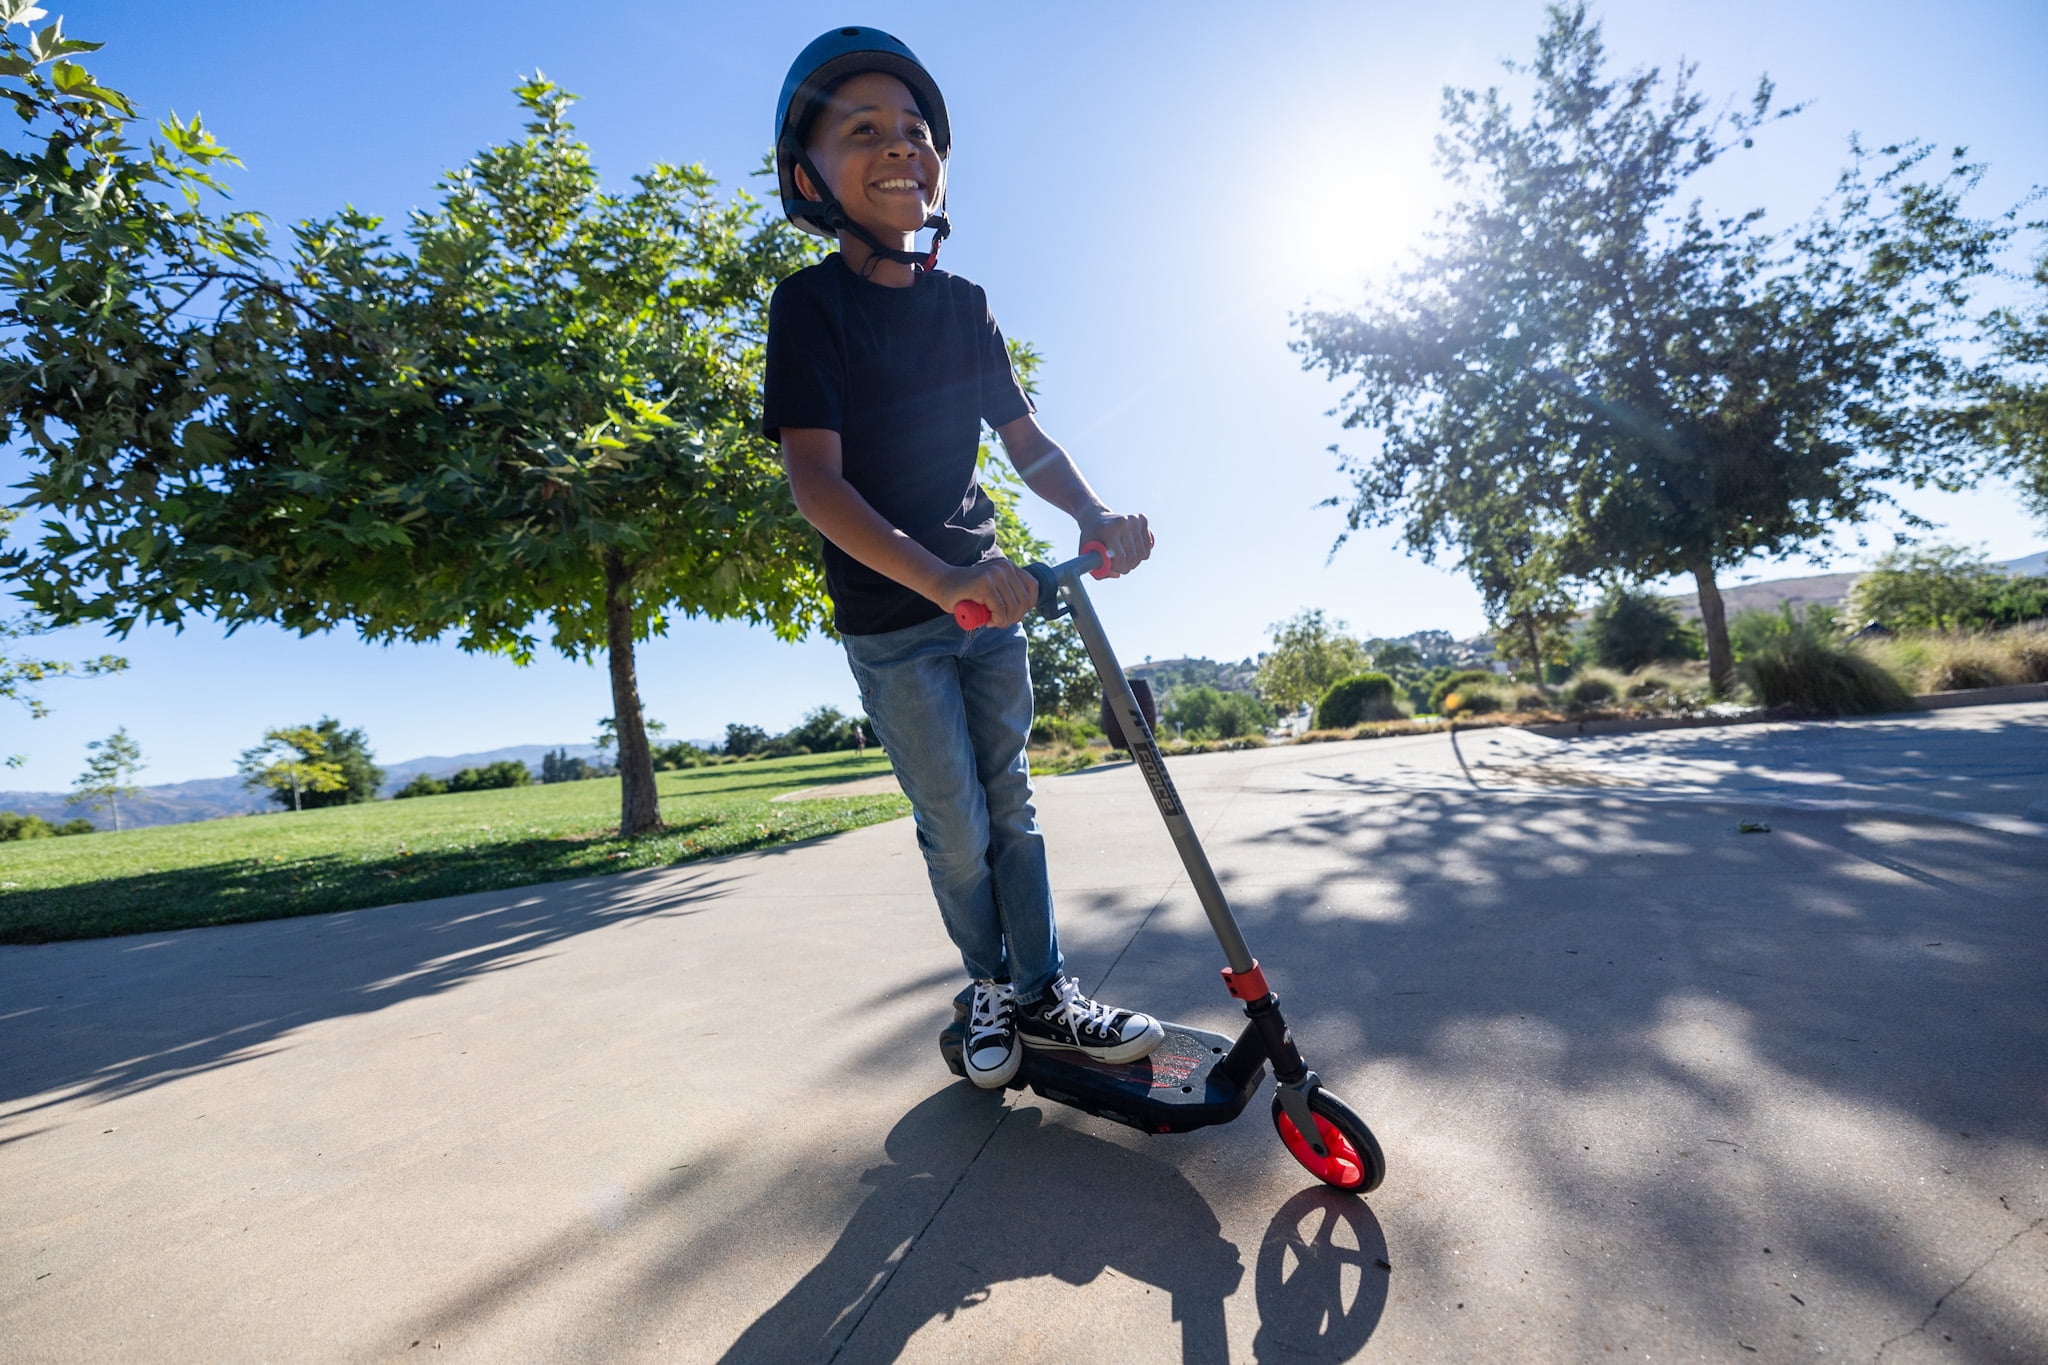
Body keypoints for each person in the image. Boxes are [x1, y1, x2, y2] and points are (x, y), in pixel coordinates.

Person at [762, 27, 1163, 1089]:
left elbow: (1023, 441)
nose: (900, 146)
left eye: (914, 132)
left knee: (1013, 811)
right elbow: (816, 482)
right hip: (898, 623)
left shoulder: (964, 306)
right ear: (810, 177)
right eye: (864, 132)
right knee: (955, 825)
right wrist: (938, 582)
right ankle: (983, 984)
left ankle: (1042, 994)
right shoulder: (807, 308)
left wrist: (1092, 514)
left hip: (993, 601)